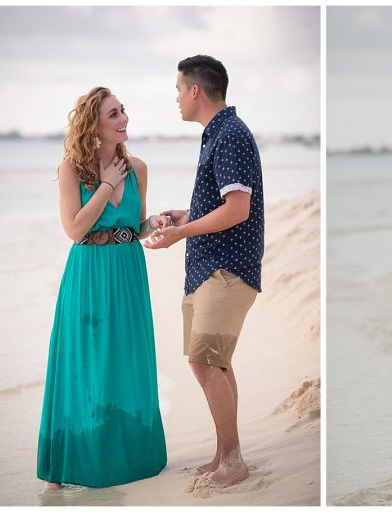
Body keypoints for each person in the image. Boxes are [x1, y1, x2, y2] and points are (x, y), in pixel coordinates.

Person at [37, 86, 169, 489]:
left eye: (123, 111)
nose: (123, 119)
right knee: (87, 364)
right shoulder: (71, 169)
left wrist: (156, 223)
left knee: (128, 360)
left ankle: (132, 455)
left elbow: (135, 225)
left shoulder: (140, 168)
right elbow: (75, 230)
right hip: (89, 274)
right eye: (113, 114)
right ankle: (78, 458)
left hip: (128, 271)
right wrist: (107, 184)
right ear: (93, 123)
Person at [144, 54, 264, 488]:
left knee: (207, 362)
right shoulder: (216, 134)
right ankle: (224, 455)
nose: (176, 97)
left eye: (178, 89)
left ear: (196, 90)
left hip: (227, 268)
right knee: (209, 363)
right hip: (207, 267)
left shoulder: (229, 134)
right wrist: (185, 215)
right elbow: (222, 202)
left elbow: (238, 209)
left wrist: (181, 234)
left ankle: (232, 460)